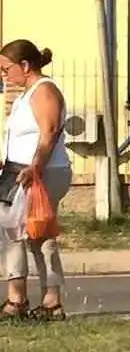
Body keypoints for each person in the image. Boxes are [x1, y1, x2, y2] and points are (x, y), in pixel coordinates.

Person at [0, 40, 71, 321]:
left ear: (25, 65)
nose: (4, 75)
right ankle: (16, 298)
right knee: (11, 232)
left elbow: (49, 133)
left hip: (42, 173)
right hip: (16, 171)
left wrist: (35, 168)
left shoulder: (45, 91)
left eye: (6, 69)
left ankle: (52, 302)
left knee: (39, 234)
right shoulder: (24, 96)